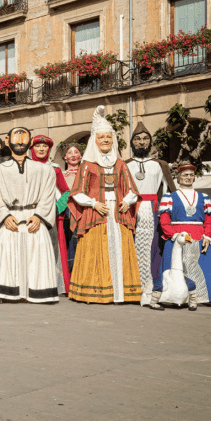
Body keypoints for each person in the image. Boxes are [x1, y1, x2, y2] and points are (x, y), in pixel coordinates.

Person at [68, 106, 142, 304]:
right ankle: (97, 291)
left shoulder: (121, 164)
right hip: (97, 212)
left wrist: (127, 201)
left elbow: (132, 189)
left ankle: (121, 291)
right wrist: (93, 204)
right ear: (95, 140)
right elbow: (77, 192)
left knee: (120, 248)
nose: (105, 140)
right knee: (96, 249)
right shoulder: (87, 165)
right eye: (101, 137)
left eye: (108, 137)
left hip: (118, 213)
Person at [0, 128, 60, 303]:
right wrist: (4, 216)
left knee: (37, 253)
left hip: (34, 218)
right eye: (16, 137)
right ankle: (9, 292)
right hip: (9, 218)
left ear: (31, 140)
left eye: (24, 137)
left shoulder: (45, 170)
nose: (20, 141)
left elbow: (48, 196)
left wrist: (39, 215)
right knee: (7, 252)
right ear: (7, 140)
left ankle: (38, 292)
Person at [156, 163, 211, 310]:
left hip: (198, 236)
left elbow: (209, 221)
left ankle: (208, 297)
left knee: (204, 266)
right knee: (174, 267)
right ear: (178, 177)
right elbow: (164, 221)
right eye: (185, 175)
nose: (188, 177)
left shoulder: (204, 197)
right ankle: (173, 297)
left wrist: (207, 237)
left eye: (191, 175)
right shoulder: (169, 197)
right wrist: (173, 235)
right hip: (176, 236)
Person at [128, 122, 175, 308]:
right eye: (137, 139)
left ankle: (152, 289)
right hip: (131, 210)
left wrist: (167, 214)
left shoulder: (159, 165)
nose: (141, 142)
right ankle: (133, 289)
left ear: (150, 142)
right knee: (131, 247)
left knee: (154, 249)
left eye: (145, 139)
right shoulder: (125, 165)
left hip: (154, 210)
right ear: (132, 142)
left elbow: (168, 191)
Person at [29, 135, 71, 294]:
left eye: (45, 146)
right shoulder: (26, 167)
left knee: (53, 248)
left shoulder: (55, 168)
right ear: (32, 149)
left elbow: (66, 191)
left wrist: (58, 208)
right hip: (30, 213)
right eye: (38, 146)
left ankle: (53, 283)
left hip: (53, 214)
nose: (41, 149)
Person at [61, 142, 83, 272]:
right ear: (65, 157)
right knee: (68, 241)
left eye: (76, 152)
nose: (73, 155)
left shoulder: (86, 174)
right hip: (66, 212)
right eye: (70, 153)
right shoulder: (61, 174)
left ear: (81, 156)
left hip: (83, 211)